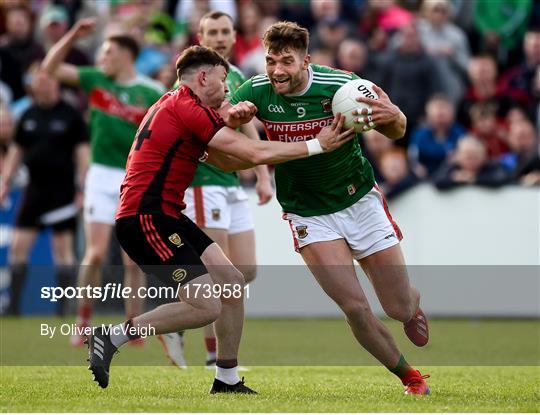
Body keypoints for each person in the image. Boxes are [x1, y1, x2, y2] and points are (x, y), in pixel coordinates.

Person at [85, 44, 354, 393]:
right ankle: (112, 336)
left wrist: (239, 127)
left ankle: (226, 377)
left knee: (232, 280)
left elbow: (231, 162)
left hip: (166, 215)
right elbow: (253, 152)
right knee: (207, 305)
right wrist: (315, 145)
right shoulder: (186, 107)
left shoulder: (179, 105)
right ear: (203, 76)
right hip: (146, 219)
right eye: (224, 79)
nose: (228, 88)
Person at [229, 21, 431, 395]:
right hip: (307, 212)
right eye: (271, 61)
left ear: (306, 60)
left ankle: (411, 306)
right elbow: (223, 125)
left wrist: (395, 117)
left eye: (286, 62)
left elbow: (397, 129)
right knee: (354, 307)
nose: (277, 71)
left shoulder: (342, 85)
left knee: (398, 305)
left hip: (359, 201)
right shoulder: (256, 89)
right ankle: (410, 377)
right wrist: (236, 117)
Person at [157, 11, 274, 370]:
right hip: (205, 180)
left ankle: (178, 320)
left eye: (226, 31)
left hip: (232, 183)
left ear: (234, 34)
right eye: (213, 32)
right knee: (221, 278)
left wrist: (263, 174)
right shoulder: (193, 84)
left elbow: (245, 124)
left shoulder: (234, 75)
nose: (221, 37)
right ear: (200, 35)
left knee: (246, 270)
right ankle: (213, 357)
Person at [41, 18, 165, 346]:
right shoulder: (95, 81)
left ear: (126, 54)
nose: (102, 58)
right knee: (94, 253)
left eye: (108, 52)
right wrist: (71, 36)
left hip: (135, 177)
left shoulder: (151, 91)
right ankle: (82, 321)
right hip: (100, 174)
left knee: (132, 258)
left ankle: (132, 325)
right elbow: (49, 68)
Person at [0, 68, 89, 316]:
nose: (44, 86)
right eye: (39, 82)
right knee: (18, 247)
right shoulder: (28, 114)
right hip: (34, 190)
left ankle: (63, 308)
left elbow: (82, 156)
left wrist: (82, 187)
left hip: (62, 192)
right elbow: (16, 153)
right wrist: (5, 184)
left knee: (63, 251)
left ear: (56, 84)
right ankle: (14, 308)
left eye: (48, 81)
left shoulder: (70, 115)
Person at [433, 135, 510, 189]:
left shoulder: (492, 167)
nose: (471, 160)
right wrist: (455, 180)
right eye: (467, 156)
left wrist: (473, 179)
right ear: (458, 156)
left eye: (475, 156)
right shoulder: (452, 167)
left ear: (484, 156)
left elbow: (501, 179)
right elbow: (437, 181)